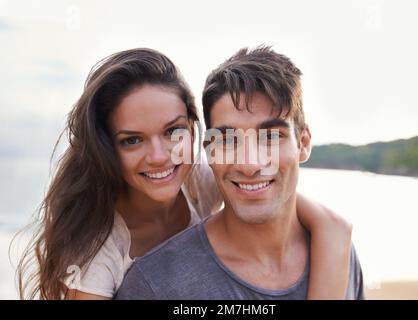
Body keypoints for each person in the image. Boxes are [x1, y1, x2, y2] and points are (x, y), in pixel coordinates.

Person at [16, 48, 352, 300]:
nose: (160, 156)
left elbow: (273, 191)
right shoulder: (96, 249)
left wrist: (334, 232)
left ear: (195, 132)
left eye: (173, 131)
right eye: (132, 140)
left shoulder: (198, 181)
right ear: (109, 148)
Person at [115, 46, 364, 300]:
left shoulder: (339, 255)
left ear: (303, 143)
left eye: (270, 136)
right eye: (228, 140)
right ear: (209, 152)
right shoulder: (153, 287)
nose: (250, 164)